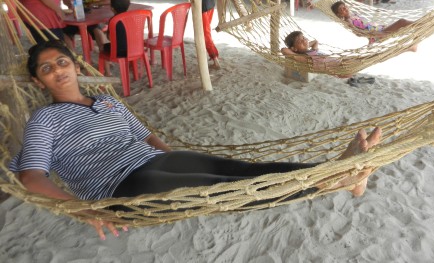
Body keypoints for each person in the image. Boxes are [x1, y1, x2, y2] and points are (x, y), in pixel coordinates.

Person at [10, 39, 382, 239]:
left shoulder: (107, 101)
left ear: (75, 65)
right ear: (38, 81)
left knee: (248, 170)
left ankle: (338, 170)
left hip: (155, 161)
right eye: (46, 68)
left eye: (61, 62)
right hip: (118, 185)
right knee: (227, 190)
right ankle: (341, 178)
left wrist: (174, 158)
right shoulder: (45, 119)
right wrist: (80, 208)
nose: (57, 71)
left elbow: (145, 135)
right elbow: (31, 176)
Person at [331, 1, 417, 51]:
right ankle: (419, 25)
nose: (345, 8)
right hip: (376, 34)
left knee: (401, 27)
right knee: (402, 22)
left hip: (378, 29)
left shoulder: (353, 14)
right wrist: (373, 34)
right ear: (339, 14)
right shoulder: (348, 20)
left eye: (344, 6)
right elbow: (358, 33)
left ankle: (412, 47)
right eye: (341, 9)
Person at [281, 31, 350, 76]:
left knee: (354, 60)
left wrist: (306, 44)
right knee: (349, 63)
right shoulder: (303, 57)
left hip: (336, 60)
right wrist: (293, 51)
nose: (304, 40)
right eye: (300, 41)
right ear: (294, 48)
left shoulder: (312, 51)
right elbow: (284, 50)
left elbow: (315, 41)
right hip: (333, 66)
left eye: (304, 37)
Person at [100, 0, 130, 76]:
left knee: (102, 47)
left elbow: (110, 38)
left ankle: (107, 72)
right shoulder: (131, 17)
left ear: (112, 8)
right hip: (133, 48)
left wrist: (106, 32)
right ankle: (131, 66)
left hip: (119, 51)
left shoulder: (113, 20)